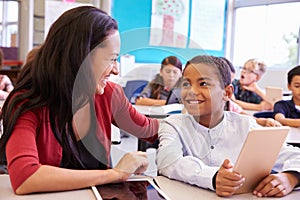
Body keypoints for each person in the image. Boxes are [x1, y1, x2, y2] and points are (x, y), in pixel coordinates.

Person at [0, 6, 159, 195]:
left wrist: (198, 120)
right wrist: (115, 174)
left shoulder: (108, 94)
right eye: (111, 59)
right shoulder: (28, 101)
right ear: (80, 57)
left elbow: (151, 130)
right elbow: (25, 178)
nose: (116, 70)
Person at [156, 55, 300, 197]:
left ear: (227, 92)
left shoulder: (246, 126)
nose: (192, 91)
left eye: (204, 84)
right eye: (186, 84)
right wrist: (212, 177)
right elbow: (168, 161)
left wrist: (291, 178)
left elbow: (295, 156)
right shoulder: (173, 124)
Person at [220, 57, 281, 127]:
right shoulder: (232, 84)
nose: (244, 71)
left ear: (257, 77)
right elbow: (233, 101)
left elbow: (274, 105)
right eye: (244, 68)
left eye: (249, 71)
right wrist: (259, 107)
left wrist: (257, 90)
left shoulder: (255, 92)